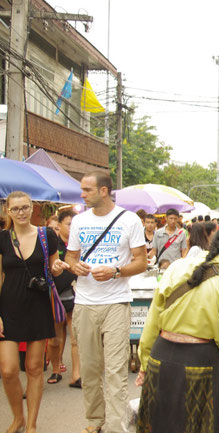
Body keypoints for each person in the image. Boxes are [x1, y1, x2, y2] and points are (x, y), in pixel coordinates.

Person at [136, 225, 219, 433]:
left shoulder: (177, 267)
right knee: (199, 425)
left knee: (159, 423)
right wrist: (210, 354)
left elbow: (153, 321)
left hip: (161, 356)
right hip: (201, 361)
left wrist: (144, 361)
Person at [65, 171, 148, 433]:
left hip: (116, 302)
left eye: (87, 190)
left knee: (115, 370)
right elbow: (70, 256)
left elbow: (141, 261)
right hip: (85, 302)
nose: (82, 194)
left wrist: (115, 271)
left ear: (103, 191)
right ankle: (94, 421)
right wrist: (73, 266)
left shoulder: (129, 220)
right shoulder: (79, 221)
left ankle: (114, 426)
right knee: (89, 370)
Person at [0, 191, 69, 433]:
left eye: (24, 207)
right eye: (15, 208)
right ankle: (18, 417)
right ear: (7, 211)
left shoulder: (46, 234)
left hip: (38, 306)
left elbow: (54, 267)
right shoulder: (2, 238)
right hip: (8, 308)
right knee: (8, 369)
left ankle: (31, 425)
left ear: (32, 208)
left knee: (34, 367)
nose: (20, 212)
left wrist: (58, 267)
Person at [47, 209, 81, 388]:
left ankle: (76, 375)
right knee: (55, 338)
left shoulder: (80, 244)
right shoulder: (52, 243)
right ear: (59, 225)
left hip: (75, 294)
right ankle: (56, 368)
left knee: (75, 336)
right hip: (55, 295)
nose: (72, 228)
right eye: (69, 224)